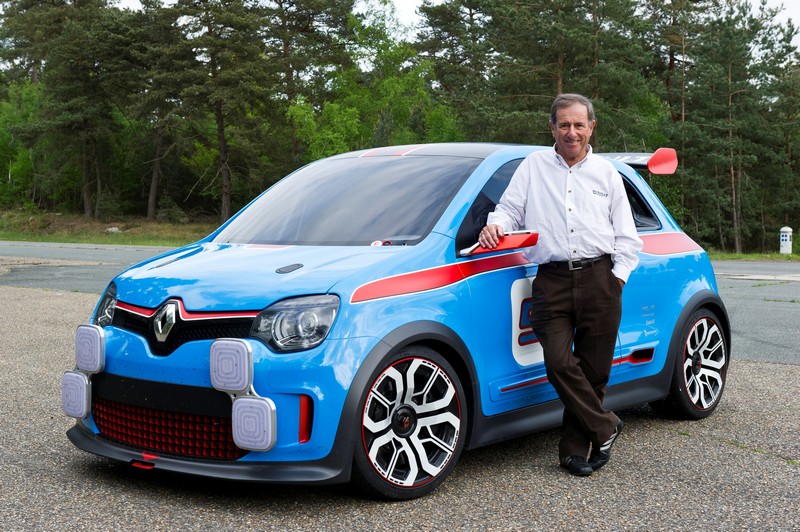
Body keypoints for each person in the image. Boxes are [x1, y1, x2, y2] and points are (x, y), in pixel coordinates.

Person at [478, 93, 643, 477]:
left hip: (601, 278)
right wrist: (494, 225)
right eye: (564, 124)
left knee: (594, 372)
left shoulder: (607, 174)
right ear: (552, 127)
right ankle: (605, 426)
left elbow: (627, 236)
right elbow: (509, 210)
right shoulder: (533, 166)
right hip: (551, 279)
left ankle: (574, 452)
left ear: (591, 127)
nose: (572, 132)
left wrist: (616, 280)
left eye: (579, 125)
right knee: (557, 362)